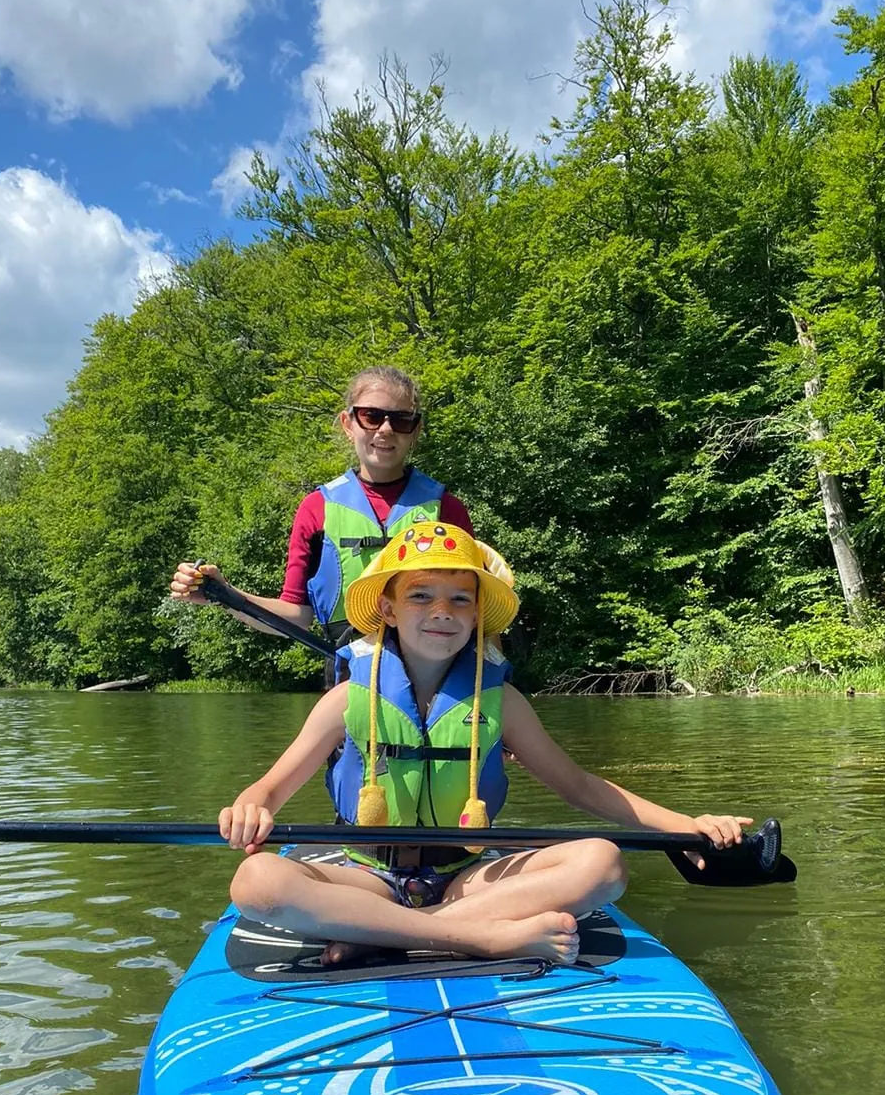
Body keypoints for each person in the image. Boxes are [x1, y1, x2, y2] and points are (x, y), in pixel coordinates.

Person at [220, 525, 751, 967]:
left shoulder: (504, 703)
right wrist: (250, 807)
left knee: (604, 864)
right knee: (258, 879)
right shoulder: (345, 700)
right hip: (365, 877)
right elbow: (271, 788)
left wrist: (681, 825)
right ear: (387, 608)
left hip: (468, 877)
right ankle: (482, 938)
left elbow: (580, 787)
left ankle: (393, 934)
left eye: (460, 599)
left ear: (476, 614)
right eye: (420, 596)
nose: (442, 611)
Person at [170, 365, 474, 655]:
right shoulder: (316, 509)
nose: (385, 429)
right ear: (348, 424)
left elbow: (479, 613)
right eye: (371, 416)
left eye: (401, 420)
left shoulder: (447, 509)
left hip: (438, 682)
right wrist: (224, 595)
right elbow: (296, 615)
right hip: (349, 676)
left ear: (415, 430)